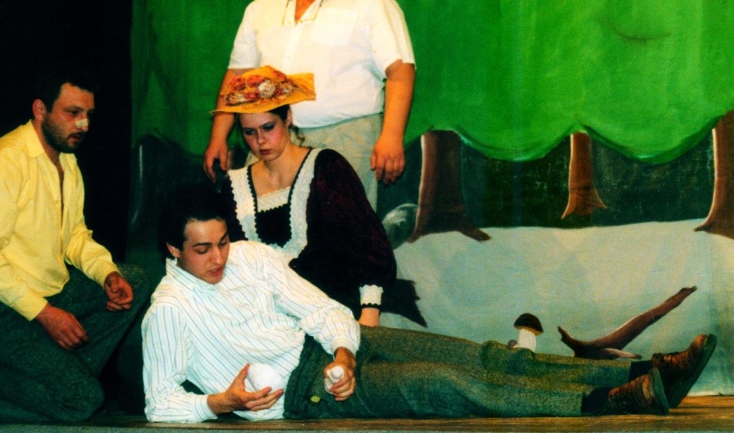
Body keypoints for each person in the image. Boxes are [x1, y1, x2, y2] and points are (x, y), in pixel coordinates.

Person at [142, 183, 717, 423]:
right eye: (202, 250)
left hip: (337, 352)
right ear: (173, 249)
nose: (218, 257)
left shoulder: (249, 257)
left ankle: (646, 370)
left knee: (483, 356)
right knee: (447, 383)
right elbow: (159, 402)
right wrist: (221, 402)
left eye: (222, 242)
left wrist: (343, 350)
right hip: (303, 393)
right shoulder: (168, 310)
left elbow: (324, 311)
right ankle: (608, 401)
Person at [0, 66, 150, 423]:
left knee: (134, 280)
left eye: (88, 114)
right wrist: (45, 314)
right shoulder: (1, 163)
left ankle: (56, 381)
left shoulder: (67, 161)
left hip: (43, 292)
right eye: (73, 112)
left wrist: (107, 274)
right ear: (40, 109)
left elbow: (75, 236)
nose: (83, 125)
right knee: (82, 400)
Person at [203, 0, 416, 207]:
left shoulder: (371, 0)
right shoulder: (262, 6)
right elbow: (238, 76)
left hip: (346, 138)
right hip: (273, 138)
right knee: (261, 223)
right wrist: (218, 137)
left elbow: (400, 72)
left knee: (340, 230)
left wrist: (391, 137)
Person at [212, 66, 396, 327]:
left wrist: (369, 312)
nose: (260, 140)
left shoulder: (325, 167)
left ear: (287, 117)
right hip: (263, 317)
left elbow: (365, 242)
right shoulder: (234, 184)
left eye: (268, 127)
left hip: (328, 308)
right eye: (249, 132)